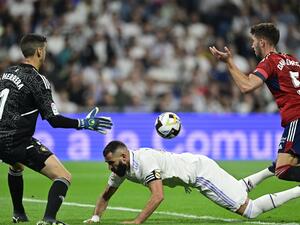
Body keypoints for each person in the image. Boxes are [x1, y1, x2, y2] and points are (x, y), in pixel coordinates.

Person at [0, 33, 113, 225]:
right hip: (16, 140)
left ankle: (18, 213)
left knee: (16, 165)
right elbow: (53, 119)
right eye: (45, 49)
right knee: (63, 176)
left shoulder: (7, 73)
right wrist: (83, 124)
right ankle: (49, 219)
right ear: (39, 51)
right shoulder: (38, 80)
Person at [83, 140, 300, 224]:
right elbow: (105, 195)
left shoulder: (144, 161)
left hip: (200, 174)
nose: (109, 167)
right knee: (237, 188)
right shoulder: (122, 168)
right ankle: (270, 170)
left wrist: (137, 221)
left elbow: (158, 196)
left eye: (110, 162)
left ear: (123, 157)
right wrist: (95, 218)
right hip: (196, 165)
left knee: (249, 210)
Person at [209, 22, 300, 185]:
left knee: (283, 168)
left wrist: (229, 62)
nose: (252, 46)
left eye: (253, 41)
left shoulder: (269, 61)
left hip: (297, 117)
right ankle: (245, 185)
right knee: (288, 161)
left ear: (262, 42)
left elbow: (246, 86)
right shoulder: (292, 60)